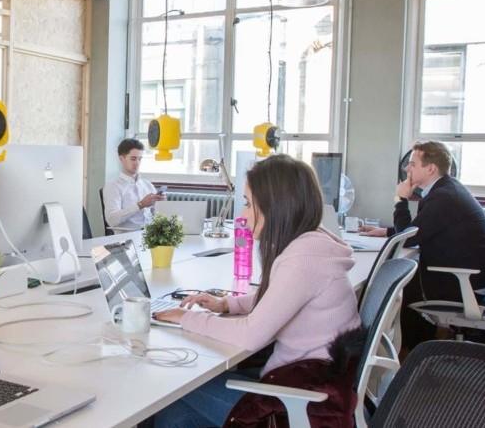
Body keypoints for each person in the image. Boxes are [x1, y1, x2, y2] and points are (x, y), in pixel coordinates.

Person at [152, 155, 361, 428]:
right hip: (310, 384)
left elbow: (250, 335)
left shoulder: (303, 259)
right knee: (175, 416)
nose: (243, 214)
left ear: (276, 206)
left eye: (249, 204)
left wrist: (184, 317)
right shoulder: (311, 244)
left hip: (300, 405)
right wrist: (227, 305)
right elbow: (283, 296)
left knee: (172, 389)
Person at [360, 140, 485, 350]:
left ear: (430, 168)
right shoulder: (447, 190)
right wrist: (387, 231)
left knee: (397, 282)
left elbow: (410, 237)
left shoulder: (443, 197)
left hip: (462, 284)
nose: (406, 168)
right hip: (469, 277)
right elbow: (424, 229)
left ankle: (410, 351)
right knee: (404, 277)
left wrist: (400, 199)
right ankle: (414, 348)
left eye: (412, 164)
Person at [103, 138, 165, 231]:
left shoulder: (147, 185)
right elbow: (112, 220)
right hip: (126, 239)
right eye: (133, 159)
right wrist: (140, 205)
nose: (137, 163)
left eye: (140, 159)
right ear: (121, 159)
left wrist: (161, 204)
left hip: (150, 235)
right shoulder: (113, 186)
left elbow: (156, 215)